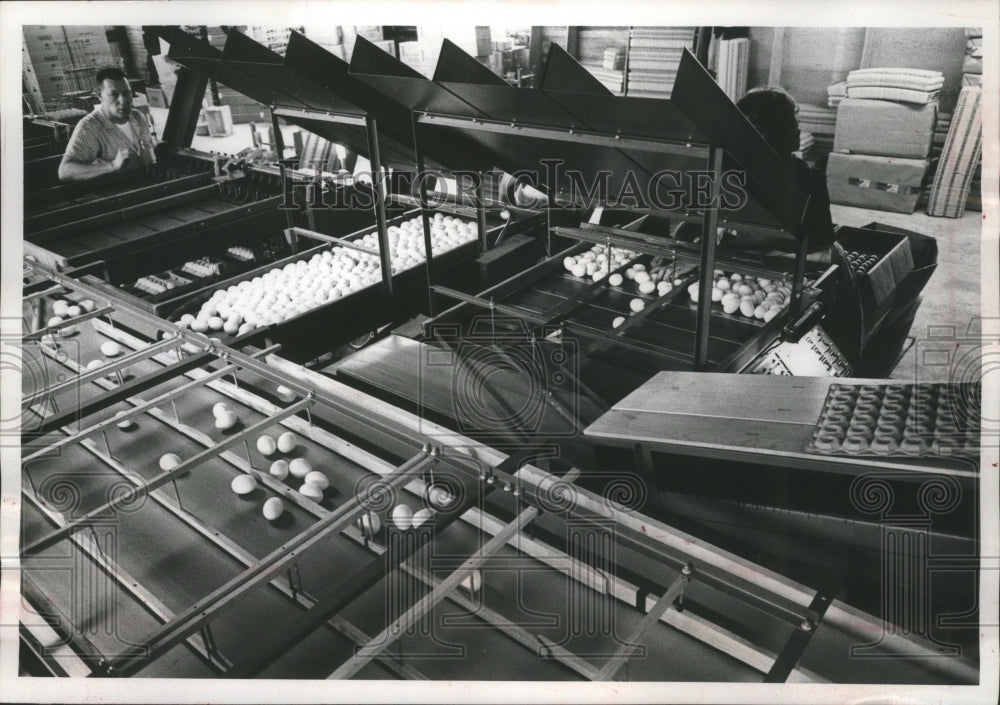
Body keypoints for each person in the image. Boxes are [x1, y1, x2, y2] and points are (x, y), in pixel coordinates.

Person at [726, 86, 837, 257]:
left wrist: (725, 248)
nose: (798, 131)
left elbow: (819, 239)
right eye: (794, 123)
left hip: (802, 257)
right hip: (755, 251)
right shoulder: (736, 171)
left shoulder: (804, 177)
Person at [58, 67, 156, 182]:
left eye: (126, 93)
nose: (123, 100)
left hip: (145, 183)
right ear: (99, 95)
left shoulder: (138, 117)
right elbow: (64, 172)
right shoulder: (90, 127)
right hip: (116, 193)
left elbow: (149, 153)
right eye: (114, 95)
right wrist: (113, 165)